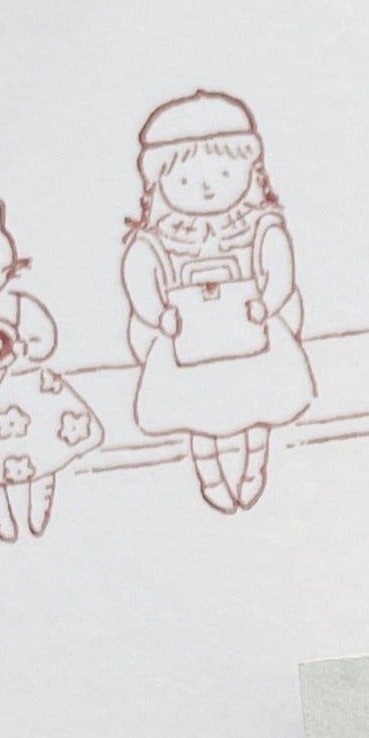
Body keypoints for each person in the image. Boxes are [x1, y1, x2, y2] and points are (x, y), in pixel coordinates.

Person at [119, 90, 314, 513]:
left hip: (253, 339)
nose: (206, 188)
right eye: (185, 181)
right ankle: (209, 474)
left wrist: (268, 302)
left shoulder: (261, 226)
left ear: (250, 170)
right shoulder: (155, 241)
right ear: (159, 184)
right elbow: (139, 278)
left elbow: (279, 270)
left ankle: (254, 467)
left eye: (224, 173)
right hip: (188, 346)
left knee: (259, 405)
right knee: (198, 412)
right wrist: (158, 314)